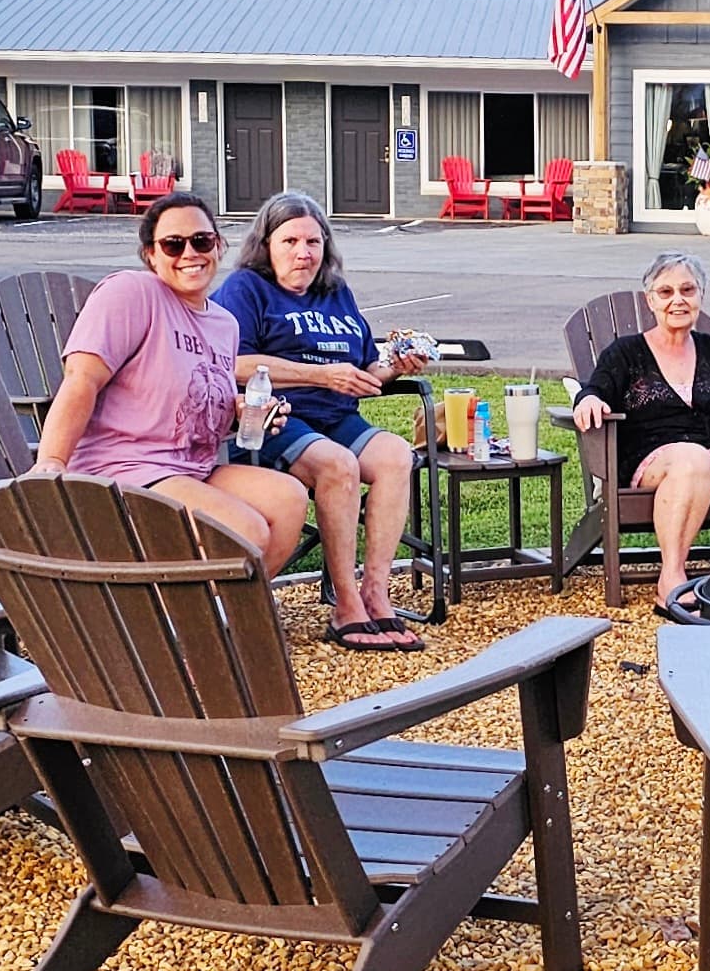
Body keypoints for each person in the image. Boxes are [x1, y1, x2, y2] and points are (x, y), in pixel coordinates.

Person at [30, 190, 308, 572]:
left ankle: (225, 615)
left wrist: (241, 413)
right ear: (151, 255)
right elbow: (81, 379)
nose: (189, 253)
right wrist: (51, 462)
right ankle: (198, 622)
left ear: (219, 244)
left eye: (201, 241)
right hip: (122, 469)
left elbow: (198, 406)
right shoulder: (132, 293)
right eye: (173, 245)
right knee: (245, 530)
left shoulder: (223, 324)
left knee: (289, 498)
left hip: (191, 468)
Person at [209, 192, 424, 651]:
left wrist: (396, 366)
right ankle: (346, 605)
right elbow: (233, 362)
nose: (303, 252)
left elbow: (365, 370)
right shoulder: (246, 289)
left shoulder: (335, 293)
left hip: (336, 415)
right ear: (265, 244)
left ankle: (376, 592)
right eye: (290, 241)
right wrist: (319, 375)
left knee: (394, 455)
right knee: (338, 465)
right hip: (274, 417)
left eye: (313, 241)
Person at [570, 250, 710, 604]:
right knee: (693, 460)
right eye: (666, 293)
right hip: (652, 461)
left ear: (700, 297)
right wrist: (588, 400)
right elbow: (594, 388)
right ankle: (672, 578)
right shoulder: (626, 353)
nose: (677, 300)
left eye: (687, 290)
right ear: (650, 300)